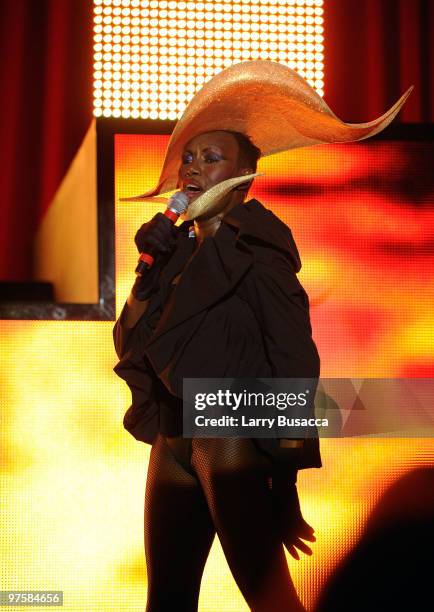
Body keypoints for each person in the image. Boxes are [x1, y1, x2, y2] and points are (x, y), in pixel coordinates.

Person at [112, 61, 412, 612]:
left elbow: (294, 362)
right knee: (167, 602)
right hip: (175, 436)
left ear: (244, 176)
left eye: (211, 157)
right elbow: (131, 346)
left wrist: (286, 483)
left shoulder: (259, 251)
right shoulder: (173, 255)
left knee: (271, 601)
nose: (193, 170)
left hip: (228, 428)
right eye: (188, 157)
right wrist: (145, 275)